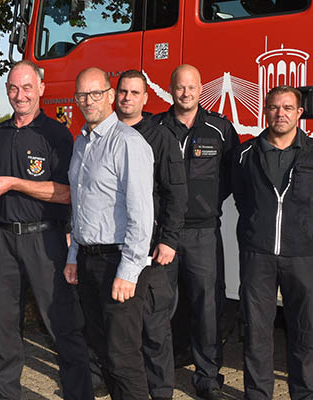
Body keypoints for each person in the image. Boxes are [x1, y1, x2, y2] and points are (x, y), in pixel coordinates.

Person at [0, 60, 93, 400]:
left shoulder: (56, 135)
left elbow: (66, 192)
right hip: (2, 238)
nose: (20, 95)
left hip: (44, 239)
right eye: (13, 88)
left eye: (27, 87)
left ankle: (79, 393)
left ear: (41, 89)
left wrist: (16, 183)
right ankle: (5, 392)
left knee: (62, 324)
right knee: (4, 324)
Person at [231, 85, 313, 399]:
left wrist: (301, 227)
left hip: (299, 257)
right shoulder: (246, 154)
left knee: (302, 333)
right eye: (274, 107)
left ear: (300, 113)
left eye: (288, 107)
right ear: (265, 110)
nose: (280, 114)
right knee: (257, 334)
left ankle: (303, 394)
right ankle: (258, 394)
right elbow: (242, 198)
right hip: (257, 256)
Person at [64, 67, 154, 400]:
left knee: (123, 357)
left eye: (96, 93)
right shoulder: (81, 144)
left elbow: (142, 214)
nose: (88, 101)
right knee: (102, 352)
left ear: (111, 96)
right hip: (88, 262)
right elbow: (80, 207)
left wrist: (128, 272)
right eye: (82, 95)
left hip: (119, 263)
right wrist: (74, 256)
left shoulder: (128, 143)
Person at [155, 64, 239, 399]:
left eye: (191, 87)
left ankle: (207, 378)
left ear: (201, 88)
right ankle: (158, 378)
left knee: (207, 307)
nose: (185, 93)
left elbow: (232, 175)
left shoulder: (220, 129)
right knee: (159, 309)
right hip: (163, 234)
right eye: (179, 87)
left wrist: (206, 202)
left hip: (204, 233)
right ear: (171, 89)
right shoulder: (155, 127)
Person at [115, 70, 187, 400]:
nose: (127, 97)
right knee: (117, 327)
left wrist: (169, 239)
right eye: (123, 91)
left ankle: (160, 392)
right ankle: (119, 384)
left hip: (151, 252)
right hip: (112, 248)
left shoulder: (160, 137)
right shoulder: (104, 133)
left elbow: (176, 193)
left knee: (155, 327)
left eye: (134, 92)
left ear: (146, 98)